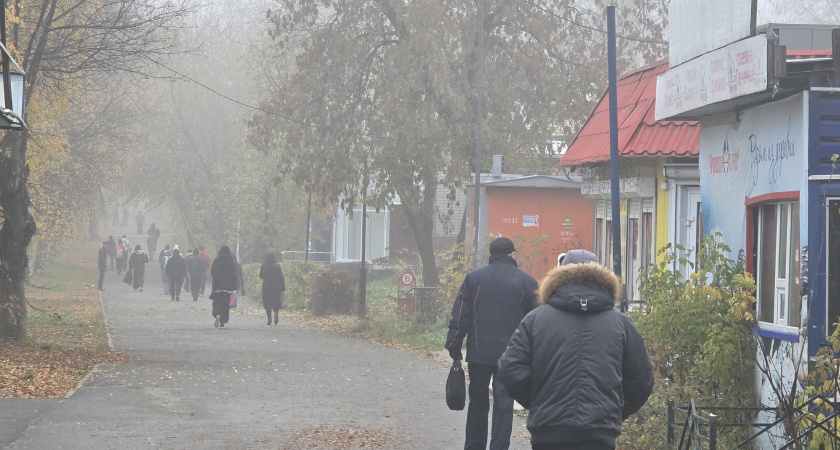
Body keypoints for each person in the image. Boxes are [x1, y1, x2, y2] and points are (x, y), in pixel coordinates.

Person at [497, 250, 655, 450]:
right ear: (603, 280)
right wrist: (615, 410)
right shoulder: (621, 325)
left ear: (557, 279)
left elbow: (510, 368)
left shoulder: (535, 320)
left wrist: (538, 401)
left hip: (548, 430)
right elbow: (641, 379)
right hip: (600, 432)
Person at [445, 237, 538, 450]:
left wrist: (454, 345)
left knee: (478, 402)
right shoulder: (527, 282)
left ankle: (474, 446)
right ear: (512, 255)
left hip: (479, 353)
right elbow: (535, 323)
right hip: (512, 357)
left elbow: (461, 315)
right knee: (504, 405)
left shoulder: (474, 278)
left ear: (491, 255)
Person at [209, 245, 238, 329]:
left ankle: (217, 313)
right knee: (225, 305)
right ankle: (222, 322)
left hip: (218, 286)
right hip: (228, 288)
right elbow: (234, 276)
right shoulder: (231, 263)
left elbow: (213, 272)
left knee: (217, 302)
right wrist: (234, 287)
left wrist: (217, 279)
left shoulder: (216, 262)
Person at [259, 253, 285, 325]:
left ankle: (269, 318)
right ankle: (276, 313)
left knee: (267, 303)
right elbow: (281, 277)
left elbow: (261, 276)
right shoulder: (277, 266)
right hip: (276, 287)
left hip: (266, 287)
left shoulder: (264, 266)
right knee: (276, 301)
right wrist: (283, 287)